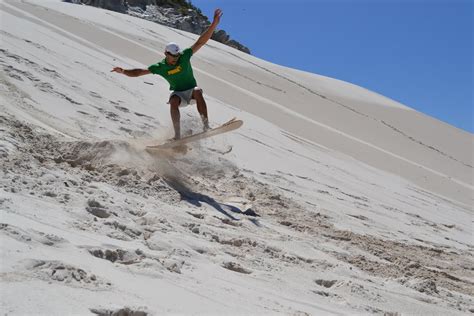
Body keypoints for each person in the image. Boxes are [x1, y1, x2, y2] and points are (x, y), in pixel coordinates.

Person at [112, 9, 223, 140]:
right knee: (173, 100)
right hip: (179, 94)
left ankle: (206, 127)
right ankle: (177, 136)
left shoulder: (184, 56)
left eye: (177, 55)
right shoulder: (160, 67)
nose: (176, 58)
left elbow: (200, 42)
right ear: (166, 54)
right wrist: (124, 71)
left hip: (191, 92)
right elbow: (140, 72)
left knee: (198, 91)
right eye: (173, 55)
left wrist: (214, 24)